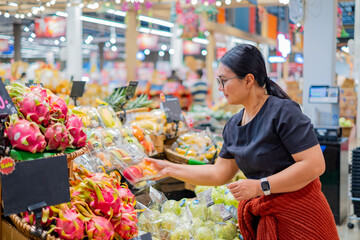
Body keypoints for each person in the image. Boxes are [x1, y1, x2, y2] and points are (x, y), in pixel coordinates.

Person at [147, 44, 339, 239]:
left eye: (224, 81)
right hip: (266, 216)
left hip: (302, 216)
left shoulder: (283, 112)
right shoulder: (233, 125)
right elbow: (218, 173)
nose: (220, 88)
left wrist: (260, 186)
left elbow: (314, 165)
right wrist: (169, 169)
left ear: (248, 80)